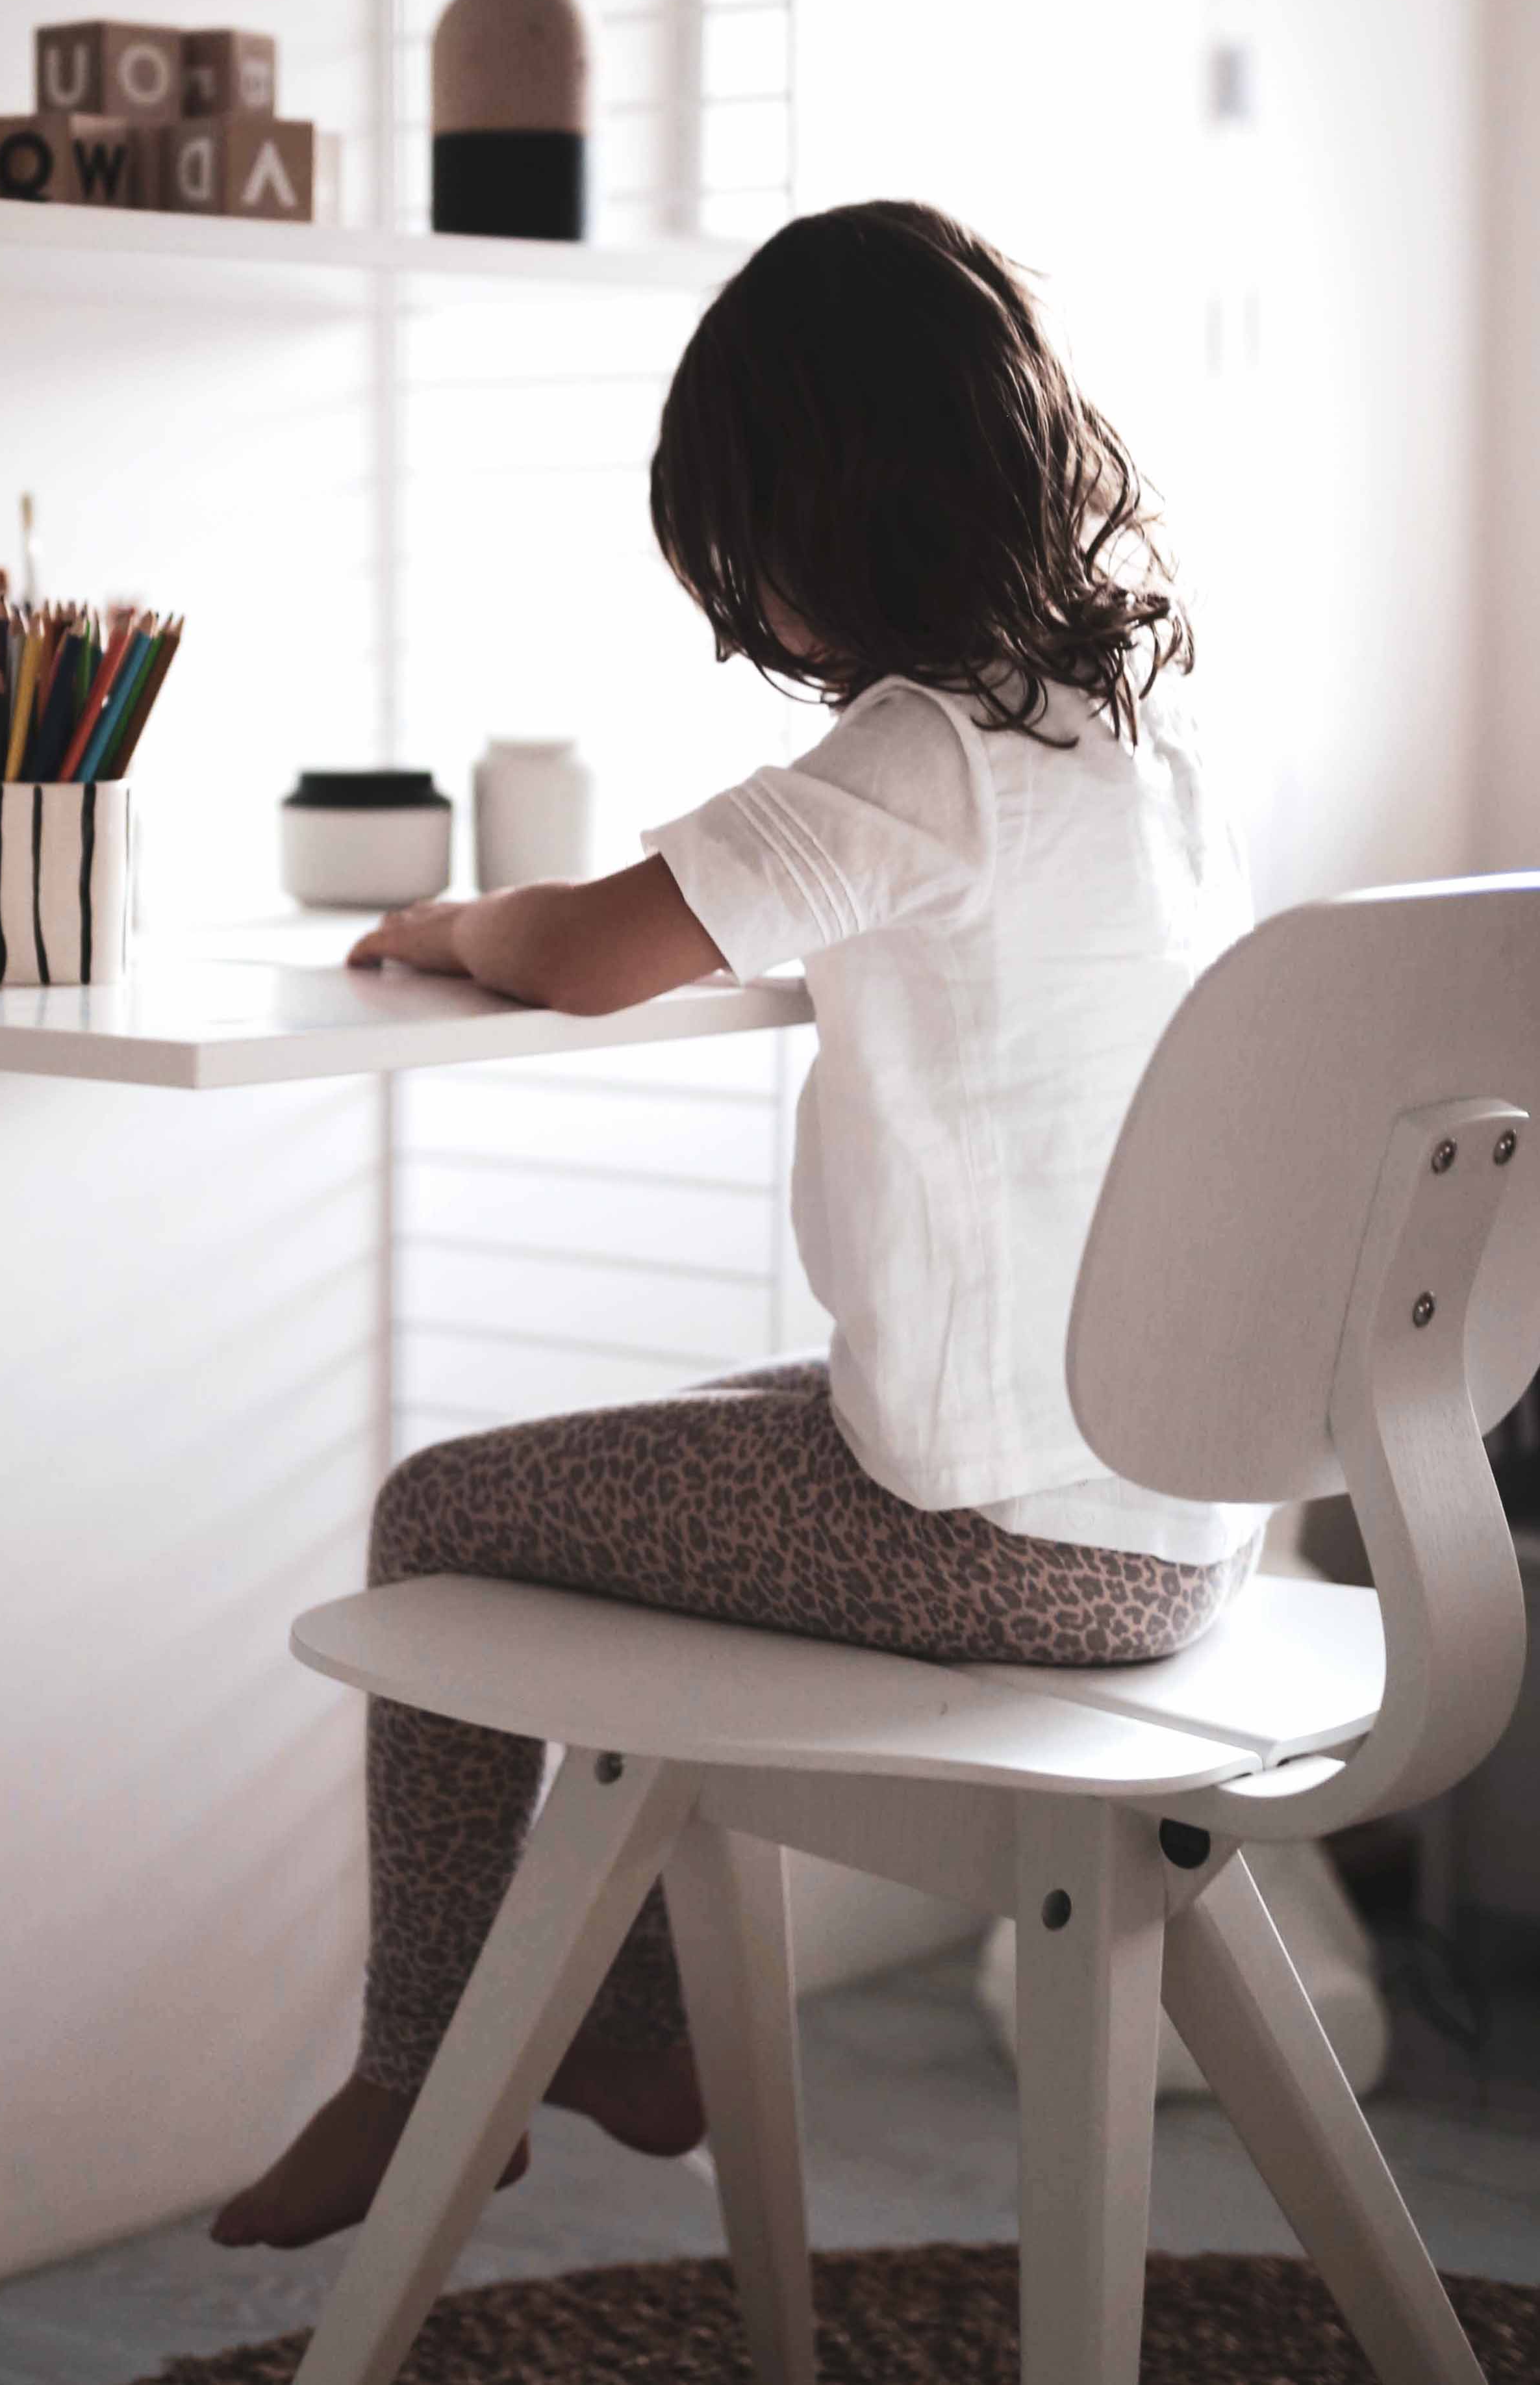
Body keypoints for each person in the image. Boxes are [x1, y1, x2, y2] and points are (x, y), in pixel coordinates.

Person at [212, 198, 1265, 2252]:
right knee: (666, 1472)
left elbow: (602, 950)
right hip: (1182, 1521)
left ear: (826, 519)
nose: (746, 619)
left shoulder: (914, 754)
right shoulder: (1142, 755)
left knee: (445, 1512)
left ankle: (426, 2079)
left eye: (743, 560)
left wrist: (450, 923)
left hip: (1016, 1546)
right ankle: (630, 2029)